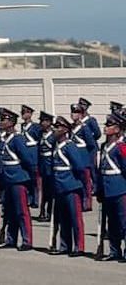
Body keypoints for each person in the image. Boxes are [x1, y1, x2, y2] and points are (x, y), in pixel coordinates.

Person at [0, 107, 36, 251]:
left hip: (18, 178)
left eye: (3, 119)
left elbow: (26, 159)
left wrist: (29, 178)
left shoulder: (17, 138)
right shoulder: (4, 138)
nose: (0, 122)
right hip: (7, 178)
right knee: (9, 211)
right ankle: (11, 239)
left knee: (22, 211)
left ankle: (27, 240)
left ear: (11, 122)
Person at [50, 116, 88, 256]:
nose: (55, 129)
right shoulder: (56, 145)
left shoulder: (70, 146)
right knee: (63, 218)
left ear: (65, 130)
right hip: (59, 186)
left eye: (58, 127)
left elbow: (79, 166)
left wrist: (81, 185)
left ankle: (79, 247)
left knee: (75, 218)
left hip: (71, 185)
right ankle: (65, 246)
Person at [96, 111, 126, 261]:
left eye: (109, 125)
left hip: (120, 188)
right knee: (112, 223)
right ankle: (114, 251)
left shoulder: (121, 147)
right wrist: (99, 189)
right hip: (107, 190)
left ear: (117, 128)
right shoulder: (103, 146)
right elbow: (100, 169)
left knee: (124, 221)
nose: (106, 127)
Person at [70, 103, 98, 212]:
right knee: (78, 182)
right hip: (74, 158)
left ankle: (87, 203)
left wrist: (88, 158)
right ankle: (79, 202)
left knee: (86, 183)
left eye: (76, 112)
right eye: (73, 112)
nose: (74, 114)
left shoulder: (84, 128)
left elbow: (91, 143)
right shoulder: (71, 127)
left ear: (81, 114)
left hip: (83, 158)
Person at [20, 105, 42, 208]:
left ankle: (36, 199)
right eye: (22, 112)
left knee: (35, 179)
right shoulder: (22, 126)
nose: (23, 114)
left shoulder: (35, 126)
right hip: (25, 154)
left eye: (25, 112)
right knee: (27, 178)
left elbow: (39, 140)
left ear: (30, 114)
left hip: (33, 154)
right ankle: (29, 198)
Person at [37, 112, 56, 222]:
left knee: (51, 190)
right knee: (44, 190)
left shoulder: (53, 135)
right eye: (41, 121)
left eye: (44, 121)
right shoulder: (40, 133)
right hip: (43, 164)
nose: (42, 123)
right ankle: (42, 211)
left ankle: (50, 211)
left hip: (51, 164)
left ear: (49, 122)